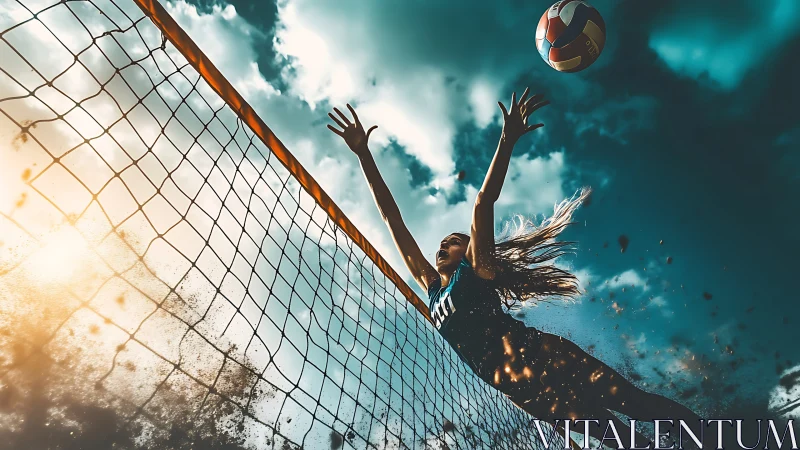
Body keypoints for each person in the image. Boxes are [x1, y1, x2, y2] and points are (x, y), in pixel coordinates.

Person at [327, 89, 702, 448]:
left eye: (453, 241)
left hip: (547, 359)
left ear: (469, 250)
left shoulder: (476, 272)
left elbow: (482, 203)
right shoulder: (430, 287)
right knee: (624, 440)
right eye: (441, 242)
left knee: (638, 406)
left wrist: (506, 140)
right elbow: (392, 219)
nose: (442, 244)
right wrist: (363, 155)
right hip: (526, 391)